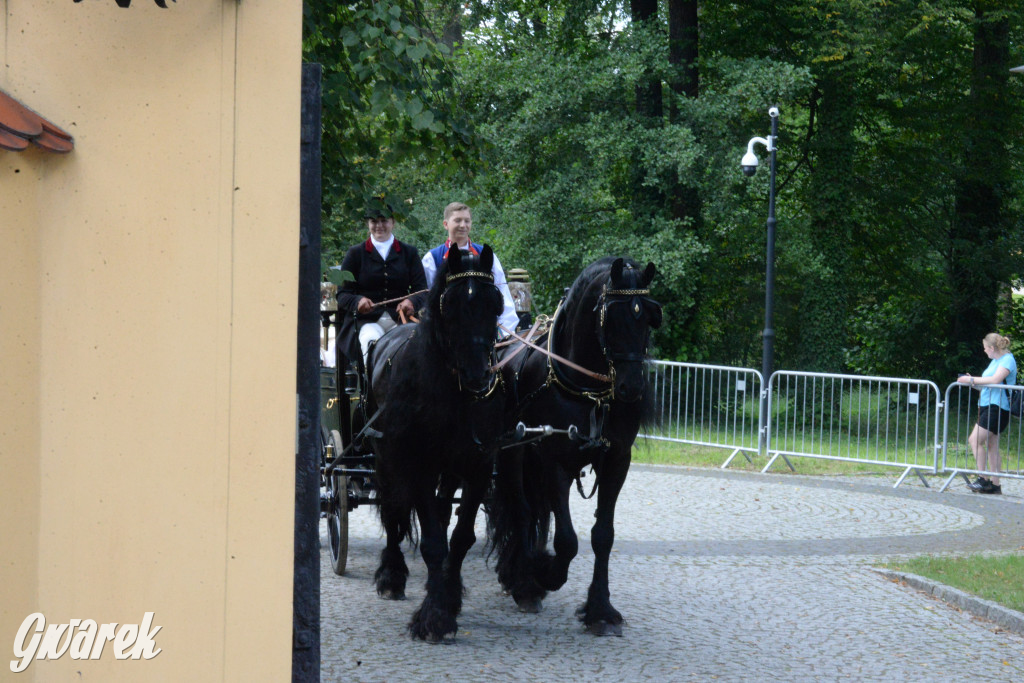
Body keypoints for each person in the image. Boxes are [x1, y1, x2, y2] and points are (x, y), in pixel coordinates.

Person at [336, 205, 428, 367]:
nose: (379, 226)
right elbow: (343, 294)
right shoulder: (355, 254)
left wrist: (411, 302)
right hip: (367, 321)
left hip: (401, 319)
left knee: (416, 347)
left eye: (384, 221)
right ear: (368, 224)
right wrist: (358, 302)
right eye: (374, 221)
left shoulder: (409, 253)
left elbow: (422, 290)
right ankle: (371, 390)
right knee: (370, 341)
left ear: (393, 223)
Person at [421, 202, 520, 337]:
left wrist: (505, 332)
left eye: (467, 221)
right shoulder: (432, 258)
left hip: (483, 331)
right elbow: (427, 299)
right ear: (445, 224)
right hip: (447, 333)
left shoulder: (485, 255)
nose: (463, 225)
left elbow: (502, 292)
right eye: (458, 220)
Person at [957, 332, 1017, 495]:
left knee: (975, 440)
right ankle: (995, 485)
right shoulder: (996, 361)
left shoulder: (1007, 360)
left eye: (985, 348)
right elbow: (988, 384)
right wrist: (973, 382)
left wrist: (971, 380)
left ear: (991, 348)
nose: (984, 351)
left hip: (997, 407)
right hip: (987, 405)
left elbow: (996, 380)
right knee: (992, 445)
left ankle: (983, 479)